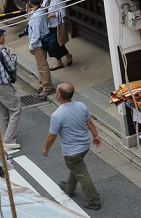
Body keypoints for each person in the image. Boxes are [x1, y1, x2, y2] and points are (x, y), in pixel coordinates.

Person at [43, 82, 101, 211]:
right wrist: (96, 136)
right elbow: (89, 122)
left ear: (59, 95)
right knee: (77, 168)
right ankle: (69, 188)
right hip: (85, 146)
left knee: (81, 173)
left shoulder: (57, 115)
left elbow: (51, 136)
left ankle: (94, 200)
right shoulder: (81, 106)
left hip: (72, 152)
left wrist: (46, 149)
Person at [0, 28, 21, 151]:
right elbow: (11, 67)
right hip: (3, 85)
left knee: (2, 113)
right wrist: (10, 55)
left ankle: (1, 137)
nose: (4, 37)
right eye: (2, 36)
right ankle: (8, 140)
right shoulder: (2, 52)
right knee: (16, 109)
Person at [25, 0, 54, 96]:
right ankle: (43, 83)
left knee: (42, 65)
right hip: (42, 41)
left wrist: (31, 46)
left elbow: (36, 33)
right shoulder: (40, 10)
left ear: (30, 1)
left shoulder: (37, 15)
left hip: (38, 43)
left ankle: (47, 86)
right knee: (40, 64)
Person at [42, 0, 72, 69]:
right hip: (48, 25)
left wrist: (52, 15)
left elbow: (63, 13)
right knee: (53, 44)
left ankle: (62, 60)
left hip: (56, 25)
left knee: (56, 44)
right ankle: (64, 58)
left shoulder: (58, 0)